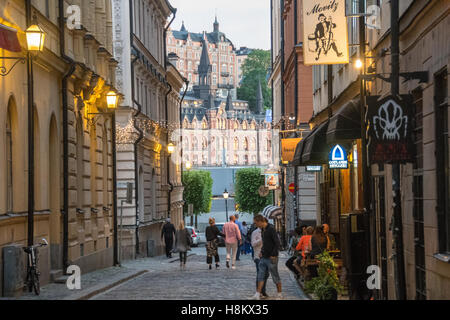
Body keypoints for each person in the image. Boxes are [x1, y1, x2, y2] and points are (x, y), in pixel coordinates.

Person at [250, 215, 282, 300]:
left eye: (256, 223)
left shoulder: (271, 229)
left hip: (271, 257)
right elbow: (265, 243)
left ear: (260, 221)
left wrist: (274, 254)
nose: (256, 225)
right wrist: (261, 252)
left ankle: (279, 294)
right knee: (260, 275)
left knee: (275, 275)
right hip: (263, 257)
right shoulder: (263, 230)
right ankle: (257, 294)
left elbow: (277, 242)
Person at [251, 218, 269, 299]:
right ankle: (259, 292)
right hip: (258, 256)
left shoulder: (267, 232)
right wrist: (261, 240)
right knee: (260, 274)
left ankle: (263, 291)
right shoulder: (255, 232)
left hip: (267, 256)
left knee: (266, 274)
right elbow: (253, 244)